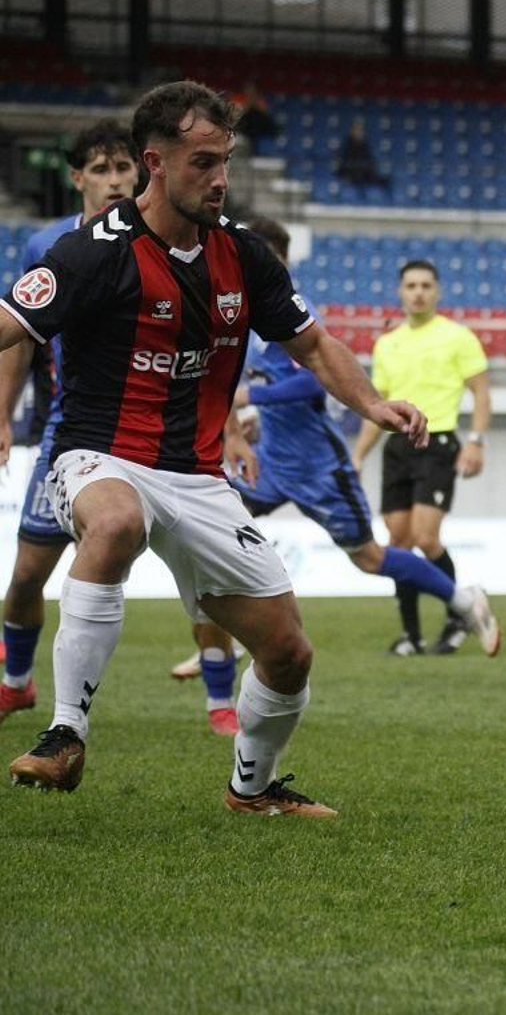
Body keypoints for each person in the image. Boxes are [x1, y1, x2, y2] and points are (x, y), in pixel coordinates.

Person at [0, 80, 429, 816]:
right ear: (154, 163)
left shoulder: (245, 255)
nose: (221, 178)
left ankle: (252, 788)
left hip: (200, 477)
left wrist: (373, 403)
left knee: (289, 652)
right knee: (113, 523)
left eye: (225, 160)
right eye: (203, 162)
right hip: (98, 453)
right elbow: (9, 324)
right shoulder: (92, 252)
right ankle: (65, 730)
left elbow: (315, 343)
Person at [169, 218, 500, 705]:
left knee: (370, 557)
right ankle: (220, 639)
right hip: (270, 463)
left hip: (319, 467)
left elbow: (310, 382)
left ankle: (463, 600)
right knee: (205, 532)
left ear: (276, 261)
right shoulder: (238, 314)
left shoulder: (291, 312)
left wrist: (251, 397)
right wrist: (247, 421)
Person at [0, 120, 140, 726]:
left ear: (141, 171)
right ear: (78, 177)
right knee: (28, 578)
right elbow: (21, 341)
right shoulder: (46, 246)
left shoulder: (164, 236)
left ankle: (221, 698)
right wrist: (3, 418)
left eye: (123, 168)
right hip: (67, 434)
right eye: (101, 170)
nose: (114, 180)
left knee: (205, 576)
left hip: (154, 438)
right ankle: (16, 681)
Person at [353, 260, 491, 656]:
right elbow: (376, 409)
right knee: (397, 542)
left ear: (437, 291)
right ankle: (411, 636)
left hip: (438, 441)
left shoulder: (458, 337)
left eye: (426, 285)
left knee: (426, 538)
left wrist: (476, 441)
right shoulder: (387, 343)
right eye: (411, 285)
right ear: (400, 291)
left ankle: (458, 618)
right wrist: (359, 456)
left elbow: (481, 391)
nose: (418, 292)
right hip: (398, 448)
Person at [336, 119, 389, 189]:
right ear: (351, 131)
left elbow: (370, 161)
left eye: (361, 130)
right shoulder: (347, 146)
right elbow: (343, 165)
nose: (359, 133)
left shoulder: (365, 145)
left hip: (364, 175)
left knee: (384, 181)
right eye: (357, 130)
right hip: (351, 175)